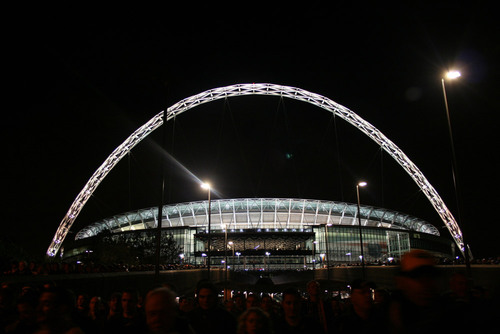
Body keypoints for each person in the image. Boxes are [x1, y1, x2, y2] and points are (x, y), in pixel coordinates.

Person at [387, 249, 446, 334]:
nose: (426, 283)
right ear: (400, 281)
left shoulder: (450, 317)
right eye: (417, 276)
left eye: (431, 275)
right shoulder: (387, 321)